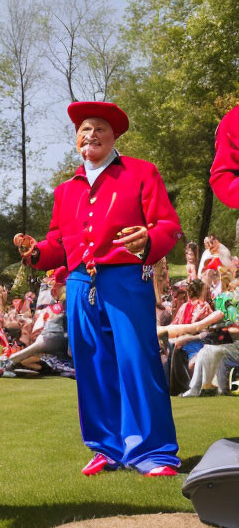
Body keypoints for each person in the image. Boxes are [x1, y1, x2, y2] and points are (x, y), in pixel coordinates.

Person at [13, 102, 182, 477]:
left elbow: (168, 226)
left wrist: (149, 239)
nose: (90, 135)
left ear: (115, 136)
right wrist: (36, 251)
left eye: (99, 129)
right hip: (78, 285)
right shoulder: (65, 190)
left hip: (125, 281)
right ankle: (107, 448)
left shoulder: (141, 173)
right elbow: (60, 243)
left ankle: (154, 452)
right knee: (92, 369)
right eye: (84, 129)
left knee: (137, 364)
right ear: (76, 139)